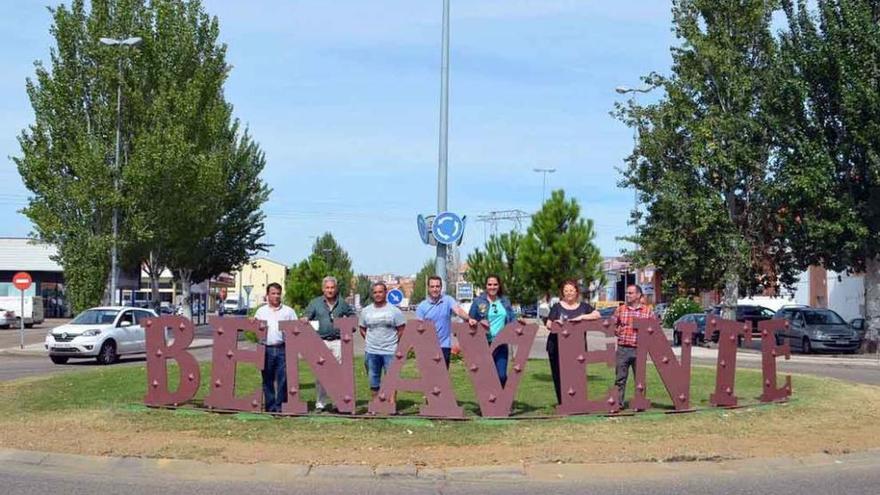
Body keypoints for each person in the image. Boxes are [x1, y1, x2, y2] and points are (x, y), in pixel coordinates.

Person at [302, 276, 355, 412]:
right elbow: (307, 316)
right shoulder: (315, 303)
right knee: (321, 374)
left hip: (338, 342)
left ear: (336, 288)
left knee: (339, 374)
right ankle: (321, 404)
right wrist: (305, 318)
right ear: (323, 289)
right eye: (327, 288)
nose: (330, 290)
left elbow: (352, 317)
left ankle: (338, 402)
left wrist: (350, 327)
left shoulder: (342, 303)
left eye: (332, 287)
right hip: (322, 342)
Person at [544, 279, 600, 405]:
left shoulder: (584, 307)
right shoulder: (557, 307)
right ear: (562, 293)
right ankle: (563, 402)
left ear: (576, 292)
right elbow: (548, 324)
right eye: (566, 291)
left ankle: (576, 401)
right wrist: (556, 324)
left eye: (571, 290)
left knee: (577, 375)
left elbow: (597, 315)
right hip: (556, 346)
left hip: (577, 347)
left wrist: (581, 317)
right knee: (559, 375)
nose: (569, 293)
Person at [253, 283, 298, 413]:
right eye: (273, 293)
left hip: (282, 348)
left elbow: (295, 328)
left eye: (278, 293)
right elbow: (255, 328)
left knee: (283, 379)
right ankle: (270, 406)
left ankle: (280, 406)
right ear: (267, 295)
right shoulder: (261, 311)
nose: (276, 296)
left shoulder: (288, 311)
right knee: (267, 379)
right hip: (265, 348)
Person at [359, 282, 406, 401]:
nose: (378, 294)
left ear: (385, 293)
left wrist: (393, 342)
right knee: (373, 380)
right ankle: (376, 404)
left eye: (380, 292)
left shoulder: (395, 311)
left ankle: (391, 405)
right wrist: (371, 341)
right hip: (371, 351)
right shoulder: (365, 311)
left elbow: (401, 329)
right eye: (375, 292)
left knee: (392, 379)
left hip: (390, 351)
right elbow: (362, 329)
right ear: (372, 294)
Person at [467, 274, 517, 386]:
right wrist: (476, 322)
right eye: (489, 284)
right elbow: (470, 319)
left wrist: (517, 324)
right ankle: (489, 402)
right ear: (486, 286)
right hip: (484, 344)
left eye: (495, 284)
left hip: (501, 344)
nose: (492, 287)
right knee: (486, 376)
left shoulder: (505, 301)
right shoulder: (478, 301)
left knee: (501, 376)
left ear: (499, 286)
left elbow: (512, 318)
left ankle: (503, 399)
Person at [416, 276, 470, 367]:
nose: (435, 289)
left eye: (437, 286)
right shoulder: (422, 306)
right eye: (432, 286)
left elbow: (458, 310)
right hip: (428, 346)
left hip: (444, 345)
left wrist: (469, 318)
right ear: (428, 288)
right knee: (429, 378)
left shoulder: (448, 300)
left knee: (443, 378)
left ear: (441, 287)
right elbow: (418, 327)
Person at [614, 284, 653, 409]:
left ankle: (640, 403)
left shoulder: (647, 311)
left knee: (640, 379)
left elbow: (653, 329)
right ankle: (618, 403)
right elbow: (612, 325)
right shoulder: (621, 310)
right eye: (627, 293)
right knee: (620, 378)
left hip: (639, 349)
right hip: (623, 348)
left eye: (630, 293)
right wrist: (616, 330)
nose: (627, 295)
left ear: (638, 295)